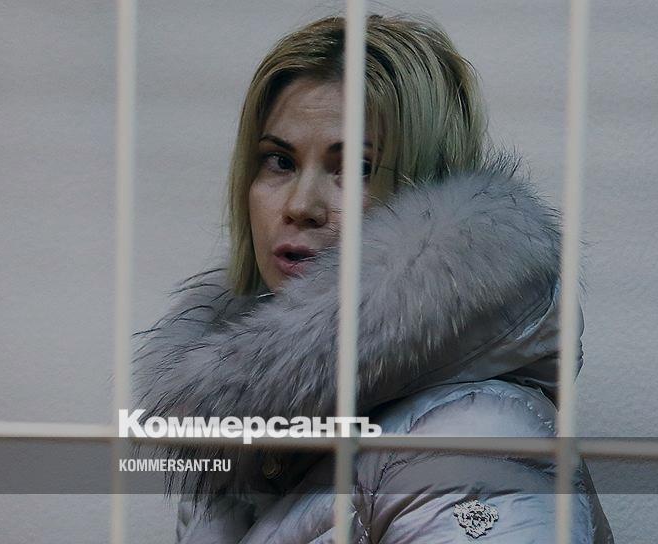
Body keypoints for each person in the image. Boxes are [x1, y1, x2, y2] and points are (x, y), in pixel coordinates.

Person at [133, 13, 613, 543]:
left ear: (423, 197)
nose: (301, 205)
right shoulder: (247, 439)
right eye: (279, 161)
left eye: (358, 167)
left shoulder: (471, 444)